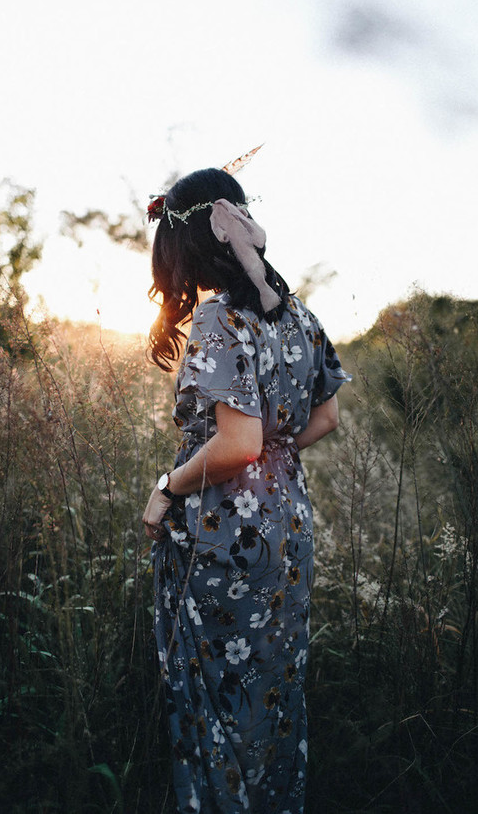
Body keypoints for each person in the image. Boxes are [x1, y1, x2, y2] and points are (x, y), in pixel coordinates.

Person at [142, 167, 350, 814]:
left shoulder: (217, 318)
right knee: (273, 696)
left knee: (219, 701)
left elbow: (237, 444)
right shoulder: (295, 315)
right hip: (288, 528)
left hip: (227, 538)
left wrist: (167, 487)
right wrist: (276, 459)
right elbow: (327, 416)